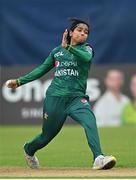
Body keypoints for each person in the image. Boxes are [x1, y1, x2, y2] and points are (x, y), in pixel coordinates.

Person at [6, 18, 116, 170]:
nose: (83, 34)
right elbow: (41, 69)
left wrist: (69, 48)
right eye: (79, 30)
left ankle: (98, 157)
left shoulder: (87, 49)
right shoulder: (57, 52)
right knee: (47, 136)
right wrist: (19, 82)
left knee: (89, 121)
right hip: (55, 98)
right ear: (70, 33)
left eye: (86, 32)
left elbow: (86, 58)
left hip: (77, 98)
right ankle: (29, 149)